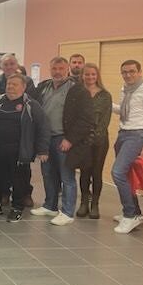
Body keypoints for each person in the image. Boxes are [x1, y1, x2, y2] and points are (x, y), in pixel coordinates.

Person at [31, 57, 94, 226]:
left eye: (61, 68)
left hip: (64, 140)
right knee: (47, 174)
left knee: (67, 177)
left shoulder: (78, 90)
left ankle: (67, 212)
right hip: (45, 139)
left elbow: (86, 119)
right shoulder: (43, 87)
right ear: (50, 69)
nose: (57, 72)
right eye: (54, 68)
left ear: (67, 69)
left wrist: (70, 139)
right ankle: (50, 205)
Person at [0, 74, 50, 222]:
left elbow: (43, 127)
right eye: (9, 84)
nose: (10, 87)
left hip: (19, 151)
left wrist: (43, 150)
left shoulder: (31, 105)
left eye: (15, 84)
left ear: (23, 87)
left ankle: (17, 207)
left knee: (19, 181)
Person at [111, 60, 143, 233]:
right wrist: (106, 104)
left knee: (117, 172)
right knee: (127, 174)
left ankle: (130, 215)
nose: (128, 75)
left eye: (132, 71)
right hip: (123, 133)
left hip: (137, 135)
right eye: (124, 72)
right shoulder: (125, 89)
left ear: (139, 72)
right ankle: (135, 211)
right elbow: (126, 111)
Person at [76, 63, 112, 219]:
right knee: (84, 172)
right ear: (82, 76)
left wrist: (93, 137)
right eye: (87, 74)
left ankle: (95, 204)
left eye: (93, 74)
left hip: (99, 141)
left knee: (96, 173)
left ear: (97, 76)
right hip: (81, 140)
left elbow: (105, 120)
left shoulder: (105, 95)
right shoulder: (77, 93)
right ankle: (84, 202)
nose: (90, 77)